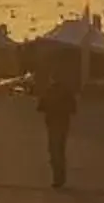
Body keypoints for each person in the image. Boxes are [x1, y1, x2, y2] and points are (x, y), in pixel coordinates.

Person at [34, 39, 81, 189]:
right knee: (60, 149)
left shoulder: (49, 91)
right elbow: (73, 109)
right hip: (63, 123)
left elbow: (40, 107)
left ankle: (57, 177)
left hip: (52, 122)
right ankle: (61, 177)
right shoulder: (67, 92)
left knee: (53, 150)